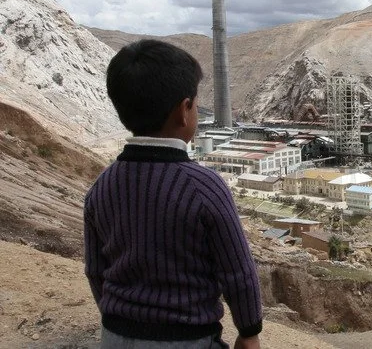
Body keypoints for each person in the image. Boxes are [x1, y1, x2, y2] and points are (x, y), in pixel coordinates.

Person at [84, 39, 262, 349]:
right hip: (187, 339)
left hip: (114, 337)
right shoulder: (204, 186)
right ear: (185, 110)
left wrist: (123, 321)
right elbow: (238, 271)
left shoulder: (102, 186)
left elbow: (95, 270)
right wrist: (249, 332)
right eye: (195, 102)